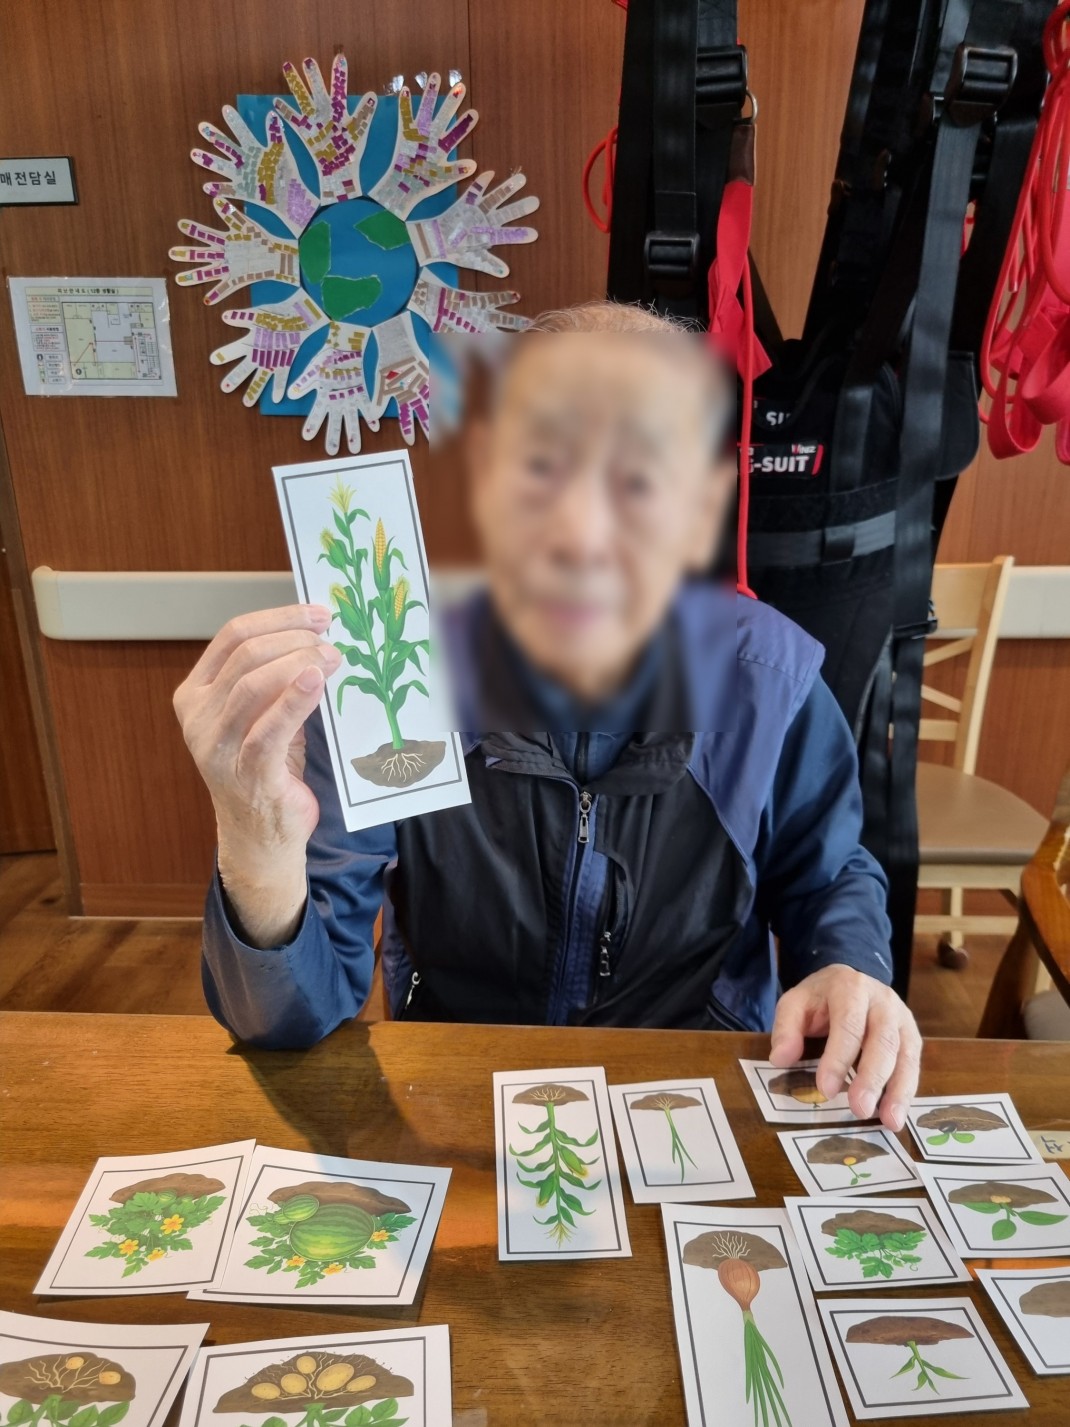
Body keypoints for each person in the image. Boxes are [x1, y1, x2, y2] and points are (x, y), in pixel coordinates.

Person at [174, 301, 922, 1129]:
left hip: (693, 1093)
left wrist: (849, 962)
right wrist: (257, 843)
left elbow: (828, 873)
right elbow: (290, 1020)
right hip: (460, 1090)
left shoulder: (771, 688)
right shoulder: (394, 682)